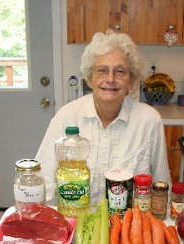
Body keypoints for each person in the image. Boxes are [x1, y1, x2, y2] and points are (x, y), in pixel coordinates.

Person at [35, 30, 171, 205]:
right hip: (76, 220)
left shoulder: (149, 120)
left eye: (120, 71)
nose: (111, 79)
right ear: (90, 79)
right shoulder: (66, 117)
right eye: (102, 70)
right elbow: (43, 184)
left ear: (131, 81)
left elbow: (161, 188)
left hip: (128, 225)